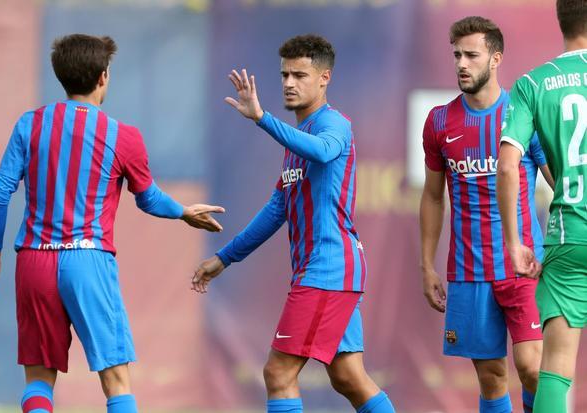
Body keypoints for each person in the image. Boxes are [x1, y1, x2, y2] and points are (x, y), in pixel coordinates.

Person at [0, 34, 224, 413]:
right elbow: (148, 199)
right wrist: (183, 211)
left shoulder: (30, 125)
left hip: (34, 261)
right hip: (88, 260)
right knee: (115, 381)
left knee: (39, 380)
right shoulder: (123, 136)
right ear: (103, 77)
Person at [191, 34, 395, 413]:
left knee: (279, 373)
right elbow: (276, 209)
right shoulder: (295, 140)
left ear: (324, 78)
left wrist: (262, 119)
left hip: (327, 268)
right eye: (284, 74)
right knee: (349, 376)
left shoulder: (334, 124)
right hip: (330, 269)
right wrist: (225, 258)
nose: (288, 83)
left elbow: (323, 151)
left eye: (300, 74)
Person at [419, 16, 553, 413]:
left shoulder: (523, 112)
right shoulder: (439, 121)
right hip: (469, 272)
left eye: (471, 55)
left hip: (525, 265)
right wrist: (426, 264)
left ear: (496, 58)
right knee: (492, 377)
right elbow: (431, 197)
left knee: (532, 368)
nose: (461, 63)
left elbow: (558, 181)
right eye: (457, 55)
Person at [496, 1, 587, 412]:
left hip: (570, 236)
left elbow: (508, 164)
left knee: (556, 367)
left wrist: (514, 244)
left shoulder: (533, 84)